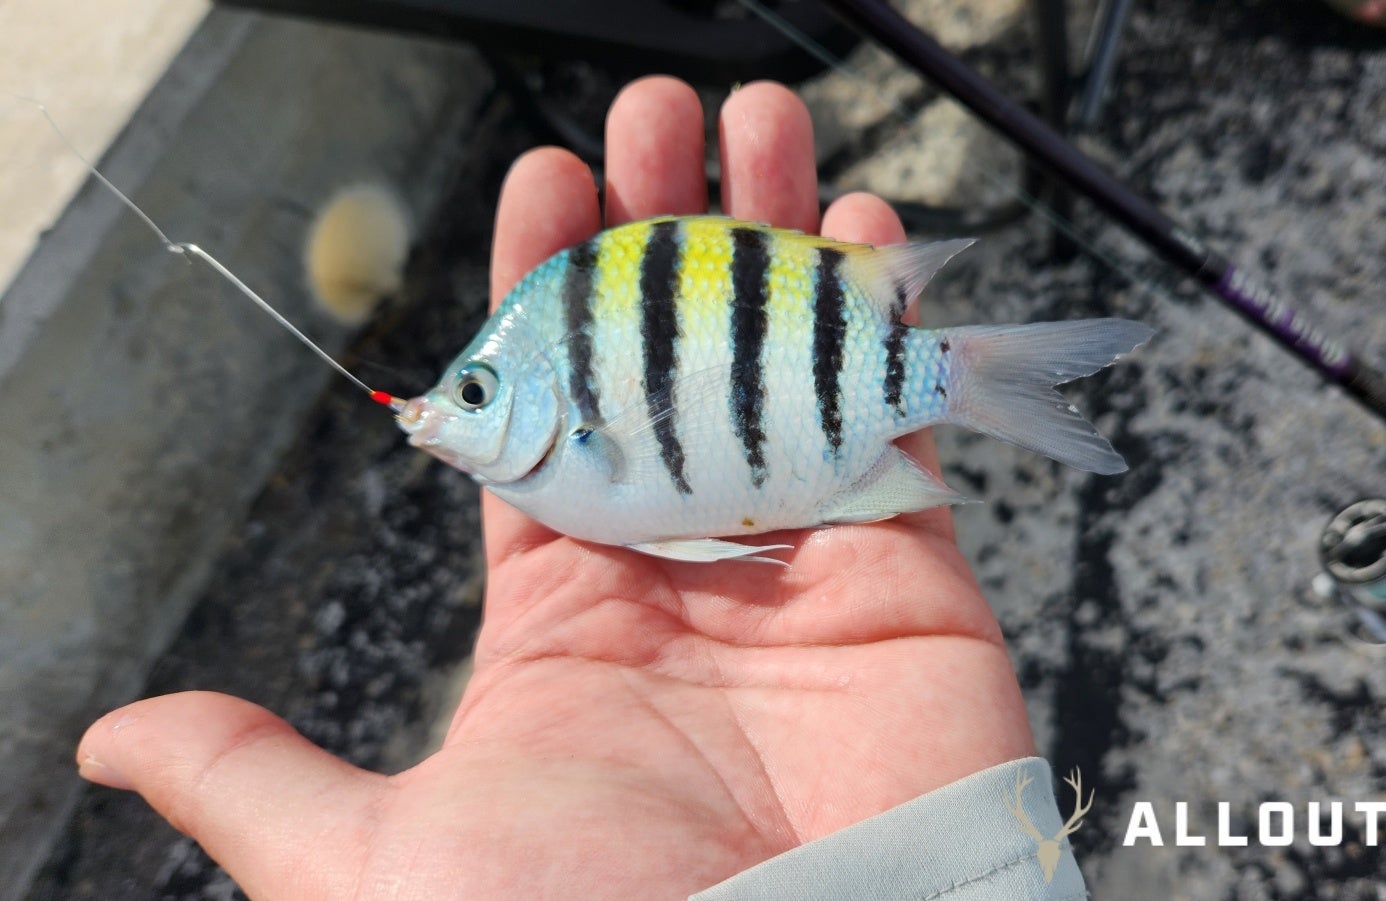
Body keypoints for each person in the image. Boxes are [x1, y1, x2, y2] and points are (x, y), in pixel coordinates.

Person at [76, 77, 1087, 900]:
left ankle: (963, 375)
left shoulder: (563, 463)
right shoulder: (553, 452)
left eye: (472, 388)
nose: (445, 409)